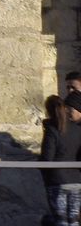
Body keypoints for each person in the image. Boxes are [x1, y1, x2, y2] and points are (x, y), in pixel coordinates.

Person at [46, 91, 81, 226]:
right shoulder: (77, 129)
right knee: (73, 221)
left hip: (57, 181)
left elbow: (47, 158)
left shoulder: (53, 130)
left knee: (61, 221)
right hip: (76, 180)